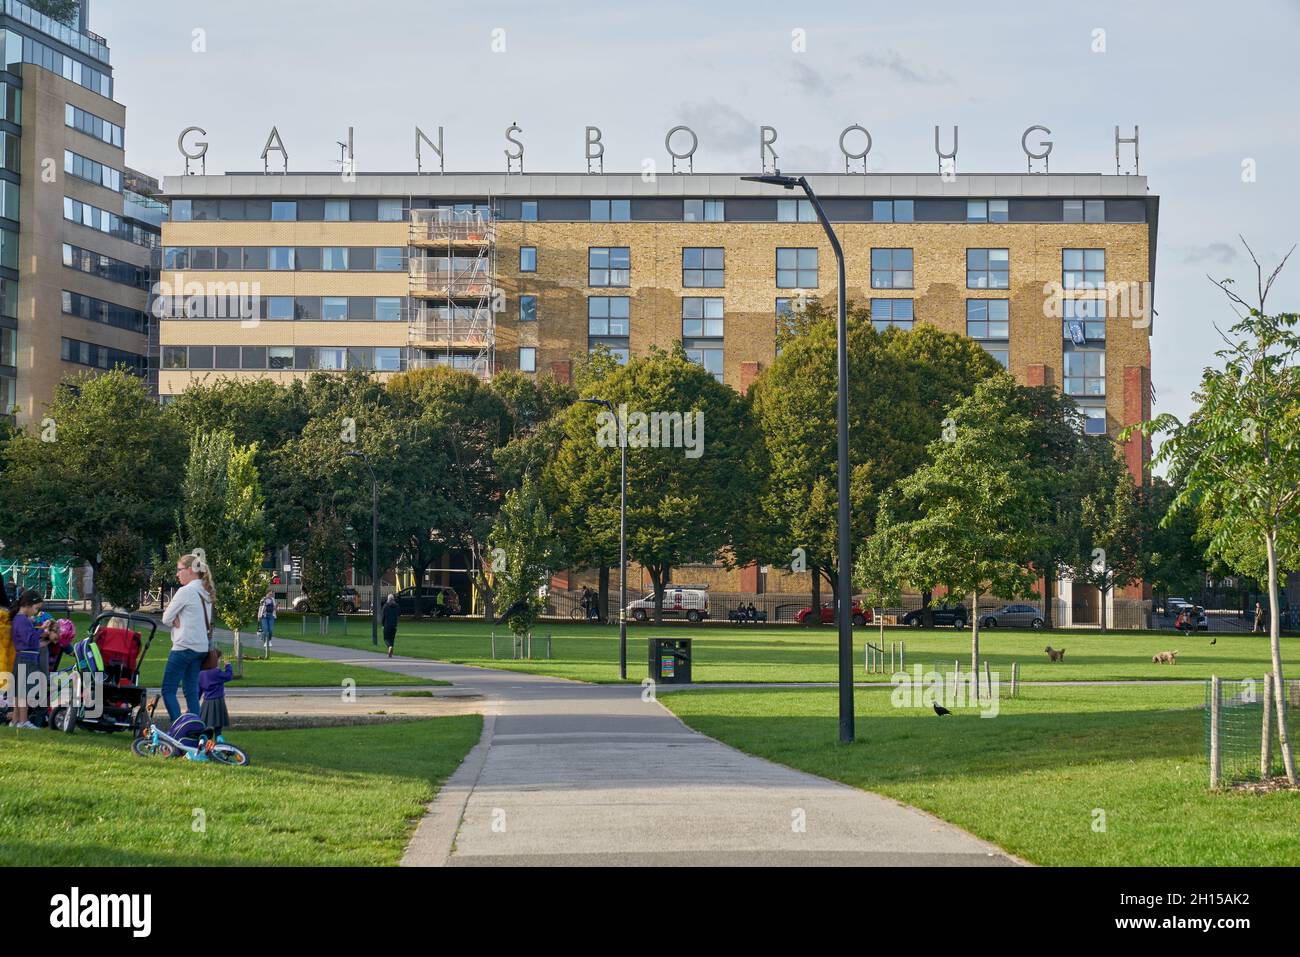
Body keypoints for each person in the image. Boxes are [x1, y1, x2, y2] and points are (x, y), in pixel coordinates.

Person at [160, 552, 215, 723]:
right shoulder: (206, 592)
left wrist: (175, 618)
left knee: (168, 690)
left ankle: (178, 727)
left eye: (179, 569)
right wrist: (177, 617)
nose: (177, 574)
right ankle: (196, 729)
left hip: (183, 647)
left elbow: (166, 618)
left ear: (190, 570)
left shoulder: (185, 591)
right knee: (191, 692)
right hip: (200, 648)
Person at [9, 590, 49, 729]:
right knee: (24, 692)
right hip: (26, 659)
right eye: (36, 608)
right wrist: (42, 630)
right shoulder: (22, 620)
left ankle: (15, 721)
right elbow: (29, 640)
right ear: (27, 605)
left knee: (19, 691)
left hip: (24, 658)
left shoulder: (22, 619)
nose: (36, 612)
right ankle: (23, 721)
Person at [199, 650, 234, 740]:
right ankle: (219, 740)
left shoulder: (201, 674)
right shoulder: (216, 672)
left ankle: (204, 741)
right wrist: (228, 665)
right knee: (218, 725)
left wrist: (193, 703)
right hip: (218, 701)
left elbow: (199, 691)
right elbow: (228, 676)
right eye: (218, 659)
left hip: (206, 702)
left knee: (206, 725)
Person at [382, 593, 400, 657]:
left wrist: (383, 625)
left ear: (388, 599)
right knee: (392, 639)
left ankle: (389, 647)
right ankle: (391, 652)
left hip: (387, 625)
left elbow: (383, 617)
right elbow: (398, 615)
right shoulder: (396, 606)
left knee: (386, 638)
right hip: (394, 625)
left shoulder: (385, 606)